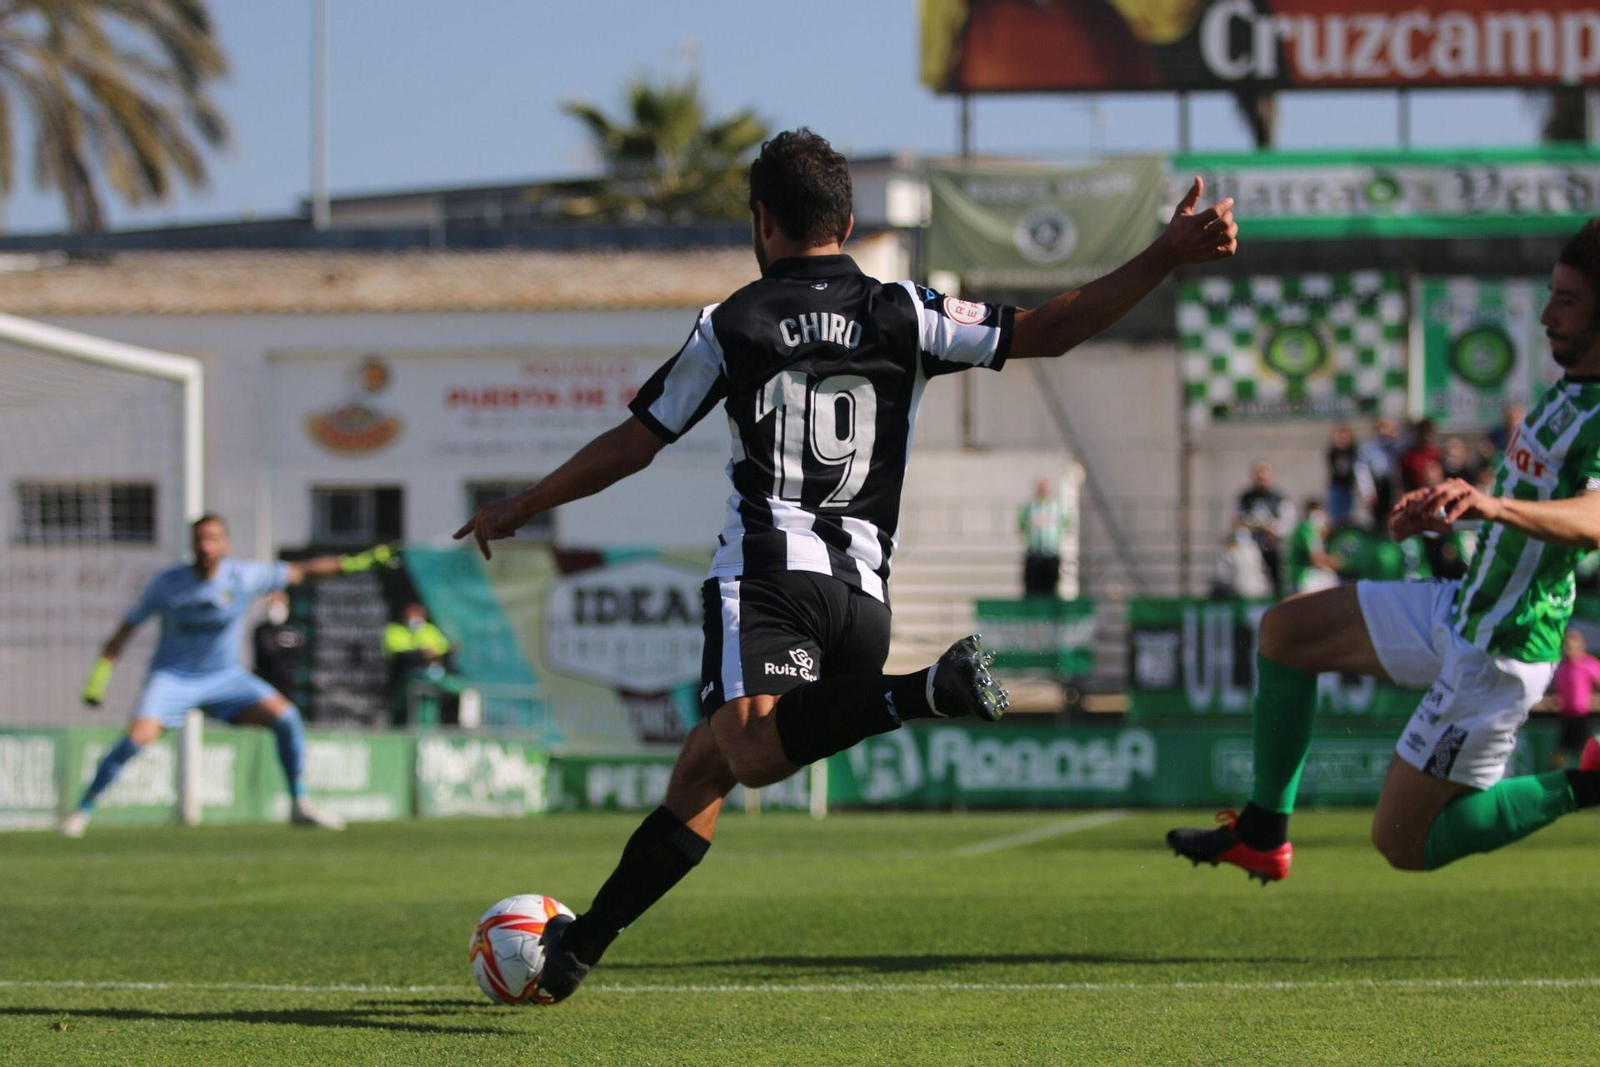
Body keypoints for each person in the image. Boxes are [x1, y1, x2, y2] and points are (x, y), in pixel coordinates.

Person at [455, 128, 1237, 1002]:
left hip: (769, 579)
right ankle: (576, 949)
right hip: (863, 599)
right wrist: (1165, 253)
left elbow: (639, 441)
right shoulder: (905, 309)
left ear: (762, 220)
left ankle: (922, 691)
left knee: (748, 749)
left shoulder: (733, 322)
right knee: (704, 770)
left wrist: (522, 503)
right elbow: (1049, 331)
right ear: (849, 220)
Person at [1168, 217, 1600, 883]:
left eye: (1567, 301)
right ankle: (1262, 832)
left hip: (1501, 646)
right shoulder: (1568, 393)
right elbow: (1531, 512)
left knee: (1403, 842)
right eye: (1550, 294)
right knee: (1286, 631)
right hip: (1464, 605)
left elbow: (1594, 517)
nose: (1547, 314)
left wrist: (1490, 504)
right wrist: (1450, 512)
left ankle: (1584, 786)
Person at [62, 515, 395, 837]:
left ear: (225, 544)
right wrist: (101, 673)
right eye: (200, 539)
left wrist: (357, 563)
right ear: (192, 545)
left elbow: (302, 571)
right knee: (132, 743)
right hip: (173, 679)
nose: (206, 546)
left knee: (287, 717)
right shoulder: (167, 584)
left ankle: (299, 803)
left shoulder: (243, 577)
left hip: (224, 679)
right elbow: (128, 627)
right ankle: (82, 811)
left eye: (213, 539)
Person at [383, 601, 454, 724]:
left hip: (431, 674)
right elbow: (399, 655)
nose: (415, 618)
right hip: (404, 677)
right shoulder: (394, 630)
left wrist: (433, 655)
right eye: (412, 614)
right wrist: (421, 654)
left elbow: (444, 649)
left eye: (418, 614)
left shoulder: (430, 630)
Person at [1236, 461, 1292, 598]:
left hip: (1273, 546)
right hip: (1252, 546)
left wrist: (1272, 530)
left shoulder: (1279, 498)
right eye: (1259, 477)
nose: (1262, 481)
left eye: (1265, 478)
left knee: (1277, 574)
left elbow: (1287, 523)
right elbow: (1238, 521)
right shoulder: (1246, 498)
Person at [1550, 630, 1600, 768]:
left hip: (1582, 718)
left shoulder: (1589, 664)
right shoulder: (1560, 667)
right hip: (1565, 717)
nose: (1568, 649)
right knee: (1559, 754)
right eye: (1566, 645)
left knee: (1586, 752)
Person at [252, 590, 307, 702]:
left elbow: (298, 655)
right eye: (274, 602)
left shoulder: (294, 628)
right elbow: (264, 654)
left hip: (288, 685)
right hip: (266, 683)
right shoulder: (262, 629)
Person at [1018, 476, 1068, 598]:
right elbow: (1021, 527)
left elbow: (1066, 525)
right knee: (1032, 589)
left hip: (1051, 554)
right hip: (1034, 555)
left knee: (1050, 588)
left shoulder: (1058, 507)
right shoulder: (1028, 507)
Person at [1284, 499, 1341, 595]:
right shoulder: (1306, 529)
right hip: (1303, 579)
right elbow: (1315, 559)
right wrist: (1335, 562)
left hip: (1310, 578)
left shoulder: (1313, 530)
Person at [1357, 417, 1403, 532]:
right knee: (1378, 516)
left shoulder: (1397, 445)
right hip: (1378, 483)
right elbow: (1362, 471)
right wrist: (1368, 491)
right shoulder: (1369, 448)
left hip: (1393, 483)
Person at [1212, 521, 1273, 600]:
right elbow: (1224, 573)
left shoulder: (1252, 549)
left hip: (1256, 590)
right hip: (1242, 590)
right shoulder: (1233, 551)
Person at [1325, 425, 1359, 526]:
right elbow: (1337, 469)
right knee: (1335, 513)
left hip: (1348, 487)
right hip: (1336, 485)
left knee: (1347, 514)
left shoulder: (1353, 451)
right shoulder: (1334, 452)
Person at [1398, 418, 1440, 492]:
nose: (1427, 437)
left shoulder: (1434, 454)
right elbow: (1402, 479)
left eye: (1429, 434)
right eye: (1424, 433)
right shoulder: (1409, 456)